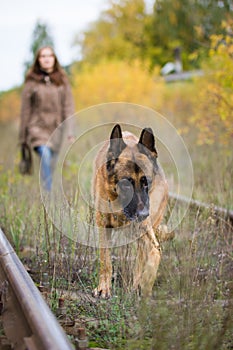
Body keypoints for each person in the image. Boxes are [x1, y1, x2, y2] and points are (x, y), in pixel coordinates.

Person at [19, 46, 75, 191]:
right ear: (38, 60)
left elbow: (68, 108)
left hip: (57, 129)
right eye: (43, 56)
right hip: (37, 127)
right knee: (44, 154)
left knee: (52, 164)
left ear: (54, 59)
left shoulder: (62, 81)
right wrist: (23, 137)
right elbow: (25, 110)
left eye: (50, 56)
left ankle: (49, 191)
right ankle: (48, 194)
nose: (47, 59)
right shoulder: (31, 82)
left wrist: (70, 131)